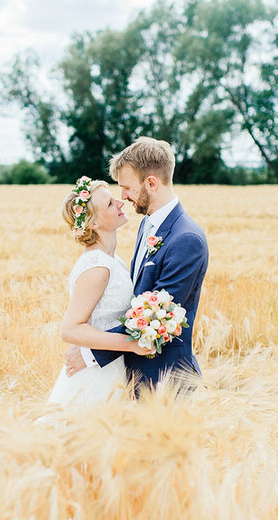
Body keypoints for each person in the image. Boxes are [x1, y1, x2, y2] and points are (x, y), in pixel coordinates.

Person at [64, 137, 209, 395]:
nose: (123, 197)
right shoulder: (148, 225)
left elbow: (158, 317)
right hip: (131, 377)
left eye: (127, 188)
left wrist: (92, 353)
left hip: (165, 378)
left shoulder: (186, 239)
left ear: (151, 183)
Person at [46, 177, 153, 406]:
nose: (121, 202)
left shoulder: (113, 260)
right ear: (93, 223)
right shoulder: (98, 267)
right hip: (94, 378)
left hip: (110, 369)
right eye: (110, 204)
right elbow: (70, 330)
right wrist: (131, 344)